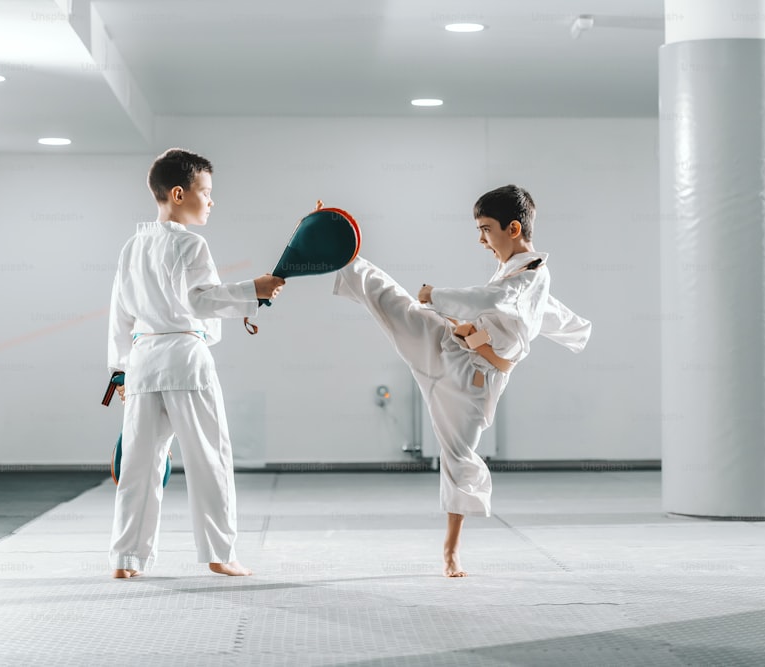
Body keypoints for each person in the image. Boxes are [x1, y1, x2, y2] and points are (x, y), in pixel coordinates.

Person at [333, 184, 591, 577]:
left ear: (514, 228)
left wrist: (436, 295)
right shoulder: (516, 271)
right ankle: (335, 245)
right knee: (394, 304)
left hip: (474, 384)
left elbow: (493, 300)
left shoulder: (531, 276)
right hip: (449, 347)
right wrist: (576, 330)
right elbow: (538, 312)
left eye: (486, 229)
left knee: (459, 460)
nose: (482, 239)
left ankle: (451, 552)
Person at [107, 148, 284, 579]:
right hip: (186, 360)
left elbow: (119, 315)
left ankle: (126, 560)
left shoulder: (133, 245)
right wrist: (252, 290)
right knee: (210, 459)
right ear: (179, 193)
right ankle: (220, 554)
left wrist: (119, 371)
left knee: (138, 465)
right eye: (206, 192)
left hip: (144, 363)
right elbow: (199, 300)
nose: (211, 201)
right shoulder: (191, 242)